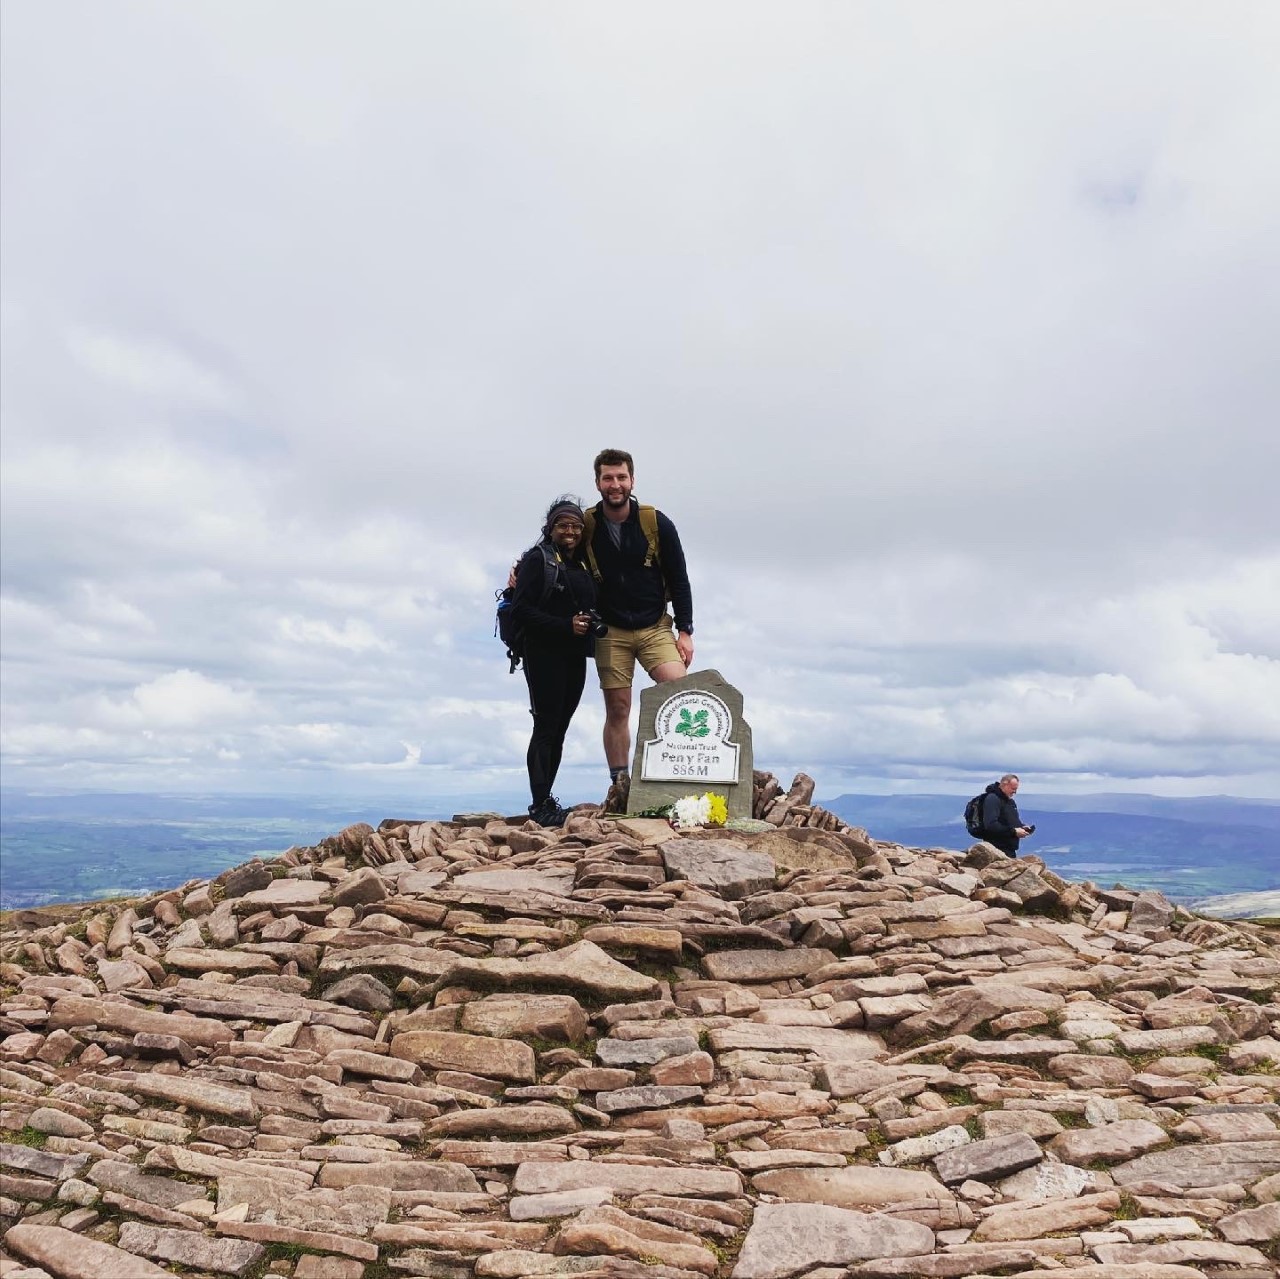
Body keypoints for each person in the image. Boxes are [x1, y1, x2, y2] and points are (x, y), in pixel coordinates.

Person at [583, 448, 694, 813]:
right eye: (607, 478)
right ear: (598, 482)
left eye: (621, 477)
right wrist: (519, 570)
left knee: (679, 692)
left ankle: (681, 773)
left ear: (632, 480)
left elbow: (679, 576)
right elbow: (554, 544)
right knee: (618, 707)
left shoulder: (655, 522)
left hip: (654, 626)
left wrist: (686, 630)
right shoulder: (587, 524)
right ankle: (619, 782)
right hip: (610, 631)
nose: (615, 485)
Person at [510, 497, 598, 827]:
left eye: (576, 526)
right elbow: (521, 609)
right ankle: (539, 805)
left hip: (575, 654)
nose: (571, 531)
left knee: (560, 729)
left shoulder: (583, 562)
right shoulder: (538, 560)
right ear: (550, 528)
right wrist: (565, 625)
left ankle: (547, 799)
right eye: (563, 526)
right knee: (546, 727)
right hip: (543, 653)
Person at [979, 774, 1034, 857]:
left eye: (1016, 789)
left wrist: (1022, 827)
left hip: (1009, 849)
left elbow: (1010, 822)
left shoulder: (1010, 802)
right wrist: (1014, 832)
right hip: (996, 850)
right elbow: (991, 825)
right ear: (1004, 785)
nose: (1015, 792)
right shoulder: (992, 799)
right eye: (1013, 789)